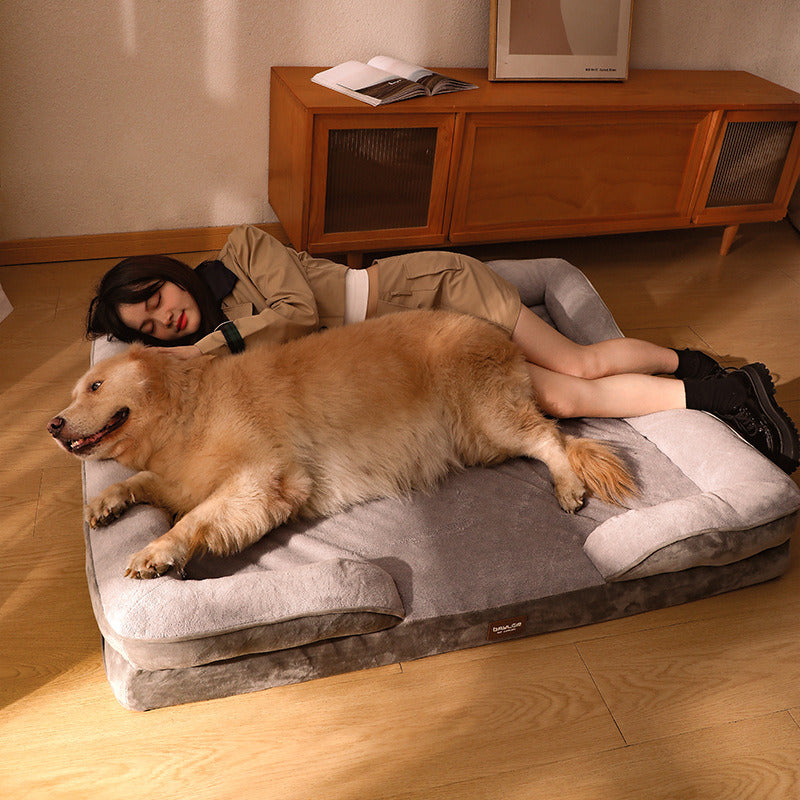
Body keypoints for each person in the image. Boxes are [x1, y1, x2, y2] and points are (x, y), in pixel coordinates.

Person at [87, 224, 799, 474]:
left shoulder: (242, 249)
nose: (165, 322)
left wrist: (205, 349)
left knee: (575, 366)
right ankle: (717, 386)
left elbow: (298, 314)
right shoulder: (219, 350)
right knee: (556, 396)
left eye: (155, 299)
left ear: (168, 275)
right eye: (148, 327)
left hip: (439, 291)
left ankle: (702, 374)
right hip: (418, 349)